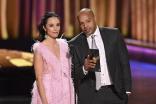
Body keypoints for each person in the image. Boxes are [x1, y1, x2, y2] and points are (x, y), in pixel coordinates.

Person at [68, 8, 132, 104]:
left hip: (115, 93)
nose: (85, 26)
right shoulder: (74, 43)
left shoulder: (114, 34)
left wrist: (127, 90)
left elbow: (124, 62)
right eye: (81, 23)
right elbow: (73, 73)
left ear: (95, 18)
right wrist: (84, 68)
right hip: (91, 96)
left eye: (88, 21)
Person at [31, 12, 74, 104]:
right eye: (51, 25)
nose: (55, 28)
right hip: (48, 94)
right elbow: (39, 79)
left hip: (66, 94)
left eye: (57, 25)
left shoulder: (64, 46)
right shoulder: (40, 49)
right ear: (44, 28)